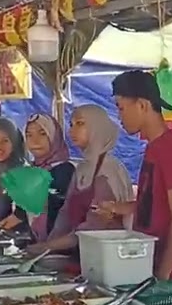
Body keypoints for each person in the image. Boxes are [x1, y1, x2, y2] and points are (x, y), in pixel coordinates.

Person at [102, 71, 172, 280]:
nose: (119, 116)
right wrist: (118, 208)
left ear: (142, 105)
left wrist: (162, 275)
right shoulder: (153, 148)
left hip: (169, 273)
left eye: (121, 108)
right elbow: (153, 203)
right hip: (147, 262)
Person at [30, 105, 134, 255]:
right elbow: (65, 214)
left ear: (97, 127)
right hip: (79, 252)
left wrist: (49, 246)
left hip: (105, 256)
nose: (72, 130)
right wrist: (49, 245)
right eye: (71, 124)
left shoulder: (108, 169)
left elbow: (95, 227)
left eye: (80, 123)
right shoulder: (82, 167)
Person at [23, 113, 75, 239]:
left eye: (42, 134)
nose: (35, 141)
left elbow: (59, 213)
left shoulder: (64, 171)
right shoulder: (32, 171)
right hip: (39, 242)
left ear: (54, 136)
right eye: (29, 135)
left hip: (59, 244)